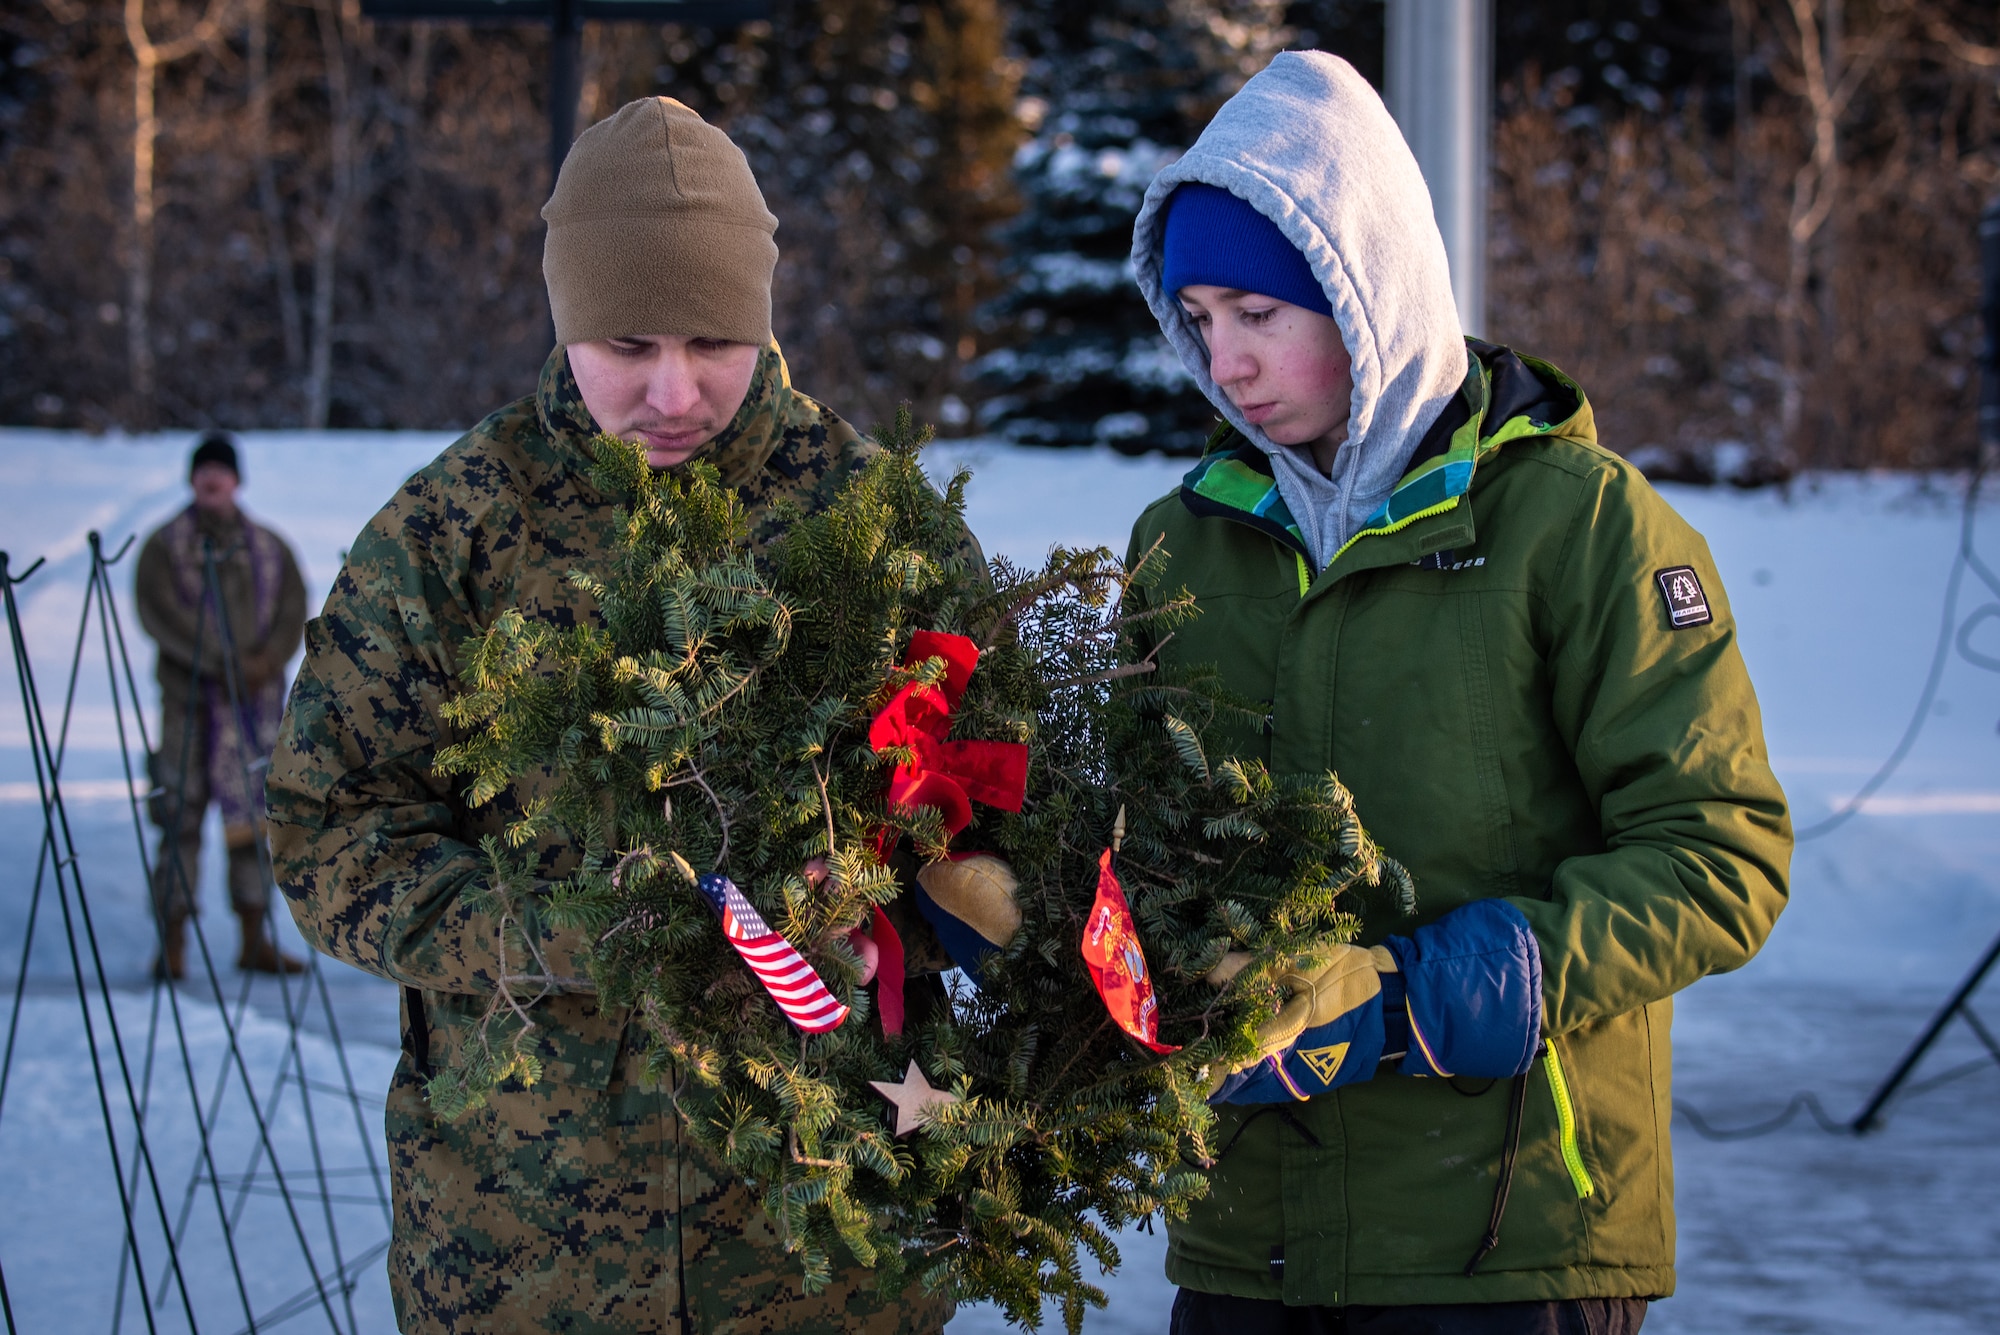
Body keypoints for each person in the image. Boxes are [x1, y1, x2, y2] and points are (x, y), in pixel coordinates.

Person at [1120, 53, 1792, 1334]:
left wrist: (1409, 1001)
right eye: (1199, 317)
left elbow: (1720, 856)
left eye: (1258, 313)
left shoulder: (1575, 524)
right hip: (1245, 1241)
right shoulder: (1186, 535)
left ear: (1364, 290)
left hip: (1504, 1242)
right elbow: (1128, 842)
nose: (1226, 360)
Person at [264, 98, 955, 1334]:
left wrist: (874, 893)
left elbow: (991, 803)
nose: (673, 391)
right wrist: (573, 936)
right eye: (627, 343)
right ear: (565, 316)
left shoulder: (869, 521)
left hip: (822, 1252)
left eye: (713, 339)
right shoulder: (454, 531)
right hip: (523, 1248)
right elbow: (329, 833)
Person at [137, 431, 307, 981]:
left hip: (252, 708)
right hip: (188, 703)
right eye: (203, 469)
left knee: (255, 821)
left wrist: (264, 661)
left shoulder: (270, 548)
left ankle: (254, 938)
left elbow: (292, 612)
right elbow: (158, 614)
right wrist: (216, 659)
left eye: (221, 470)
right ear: (193, 478)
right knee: (179, 818)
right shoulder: (164, 547)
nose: (212, 478)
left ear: (236, 480)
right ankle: (173, 941)